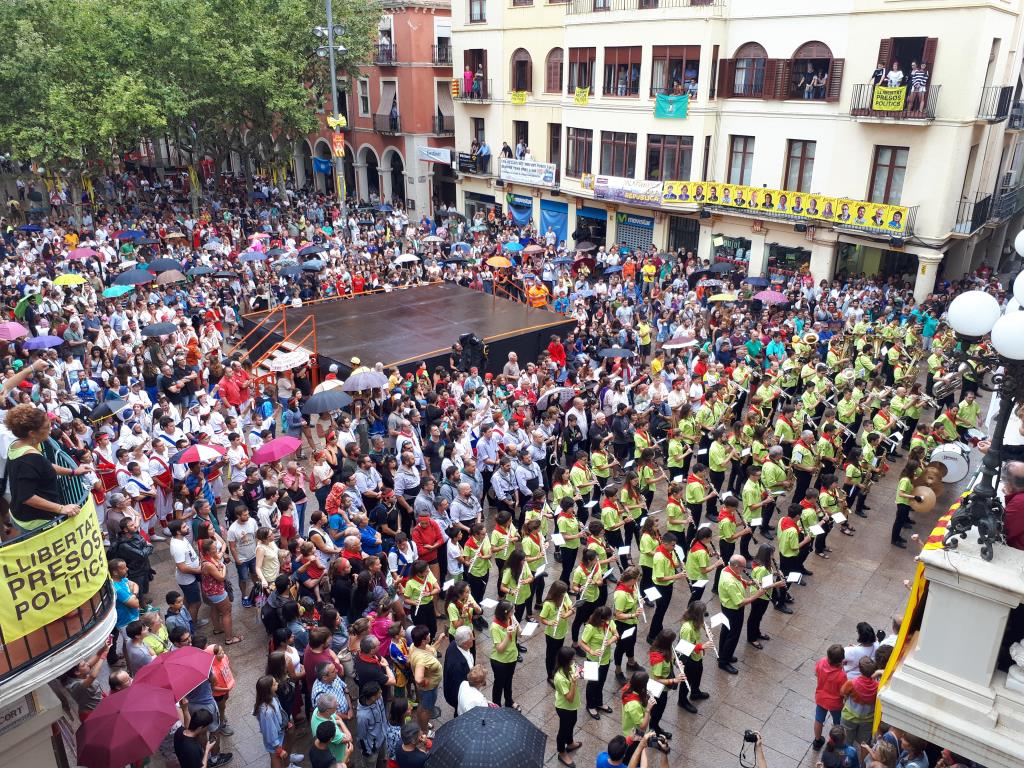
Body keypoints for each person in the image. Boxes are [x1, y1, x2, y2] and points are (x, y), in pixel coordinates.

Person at [5, 404, 88, 532]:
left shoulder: (17, 445)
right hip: (35, 523)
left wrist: (73, 471)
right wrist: (61, 508)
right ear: (32, 433)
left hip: (19, 514)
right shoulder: (29, 459)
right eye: (46, 427)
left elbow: (45, 465)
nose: (50, 430)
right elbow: (27, 497)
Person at [716, 554, 769, 674]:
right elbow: (740, 602)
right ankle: (723, 662)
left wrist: (749, 583)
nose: (744, 569)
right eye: (742, 567)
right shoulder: (730, 582)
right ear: (735, 565)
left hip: (727, 608)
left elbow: (738, 579)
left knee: (725, 631)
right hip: (733, 611)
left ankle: (723, 654)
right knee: (733, 635)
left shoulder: (727, 570)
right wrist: (757, 595)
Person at [813, 644, 849, 750]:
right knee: (837, 723)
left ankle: (817, 741)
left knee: (819, 720)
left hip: (820, 698)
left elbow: (816, 673)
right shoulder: (841, 675)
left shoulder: (821, 662)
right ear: (841, 660)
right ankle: (834, 742)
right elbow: (843, 692)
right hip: (835, 704)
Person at [408, 625, 442, 732]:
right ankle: (424, 732)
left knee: (422, 706)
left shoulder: (415, 646)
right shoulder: (421, 659)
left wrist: (440, 640)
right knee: (426, 710)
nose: (430, 635)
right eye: (428, 635)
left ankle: (422, 724)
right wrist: (424, 681)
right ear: (423, 641)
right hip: (429, 690)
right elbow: (418, 678)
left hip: (425, 690)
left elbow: (431, 651)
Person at [552, 646, 582, 767]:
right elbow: (569, 698)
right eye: (572, 659)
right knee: (563, 729)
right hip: (564, 707)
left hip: (573, 705)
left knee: (573, 721)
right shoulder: (559, 677)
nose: (574, 660)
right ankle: (561, 751)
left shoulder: (571, 666)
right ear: (566, 661)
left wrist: (580, 671)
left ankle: (569, 743)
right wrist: (574, 683)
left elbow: (576, 669)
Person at [489, 600, 520, 709]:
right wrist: (508, 634)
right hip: (499, 661)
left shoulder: (511, 618)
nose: (514, 611)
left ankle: (509, 701)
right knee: (499, 684)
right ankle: (496, 705)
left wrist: (517, 626)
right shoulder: (495, 626)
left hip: (512, 656)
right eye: (512, 610)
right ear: (505, 613)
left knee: (508, 680)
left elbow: (520, 635)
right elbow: (500, 649)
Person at [443, 625, 474, 711]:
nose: (474, 638)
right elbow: (459, 690)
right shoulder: (458, 666)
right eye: (472, 637)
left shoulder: (455, 644)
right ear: (465, 643)